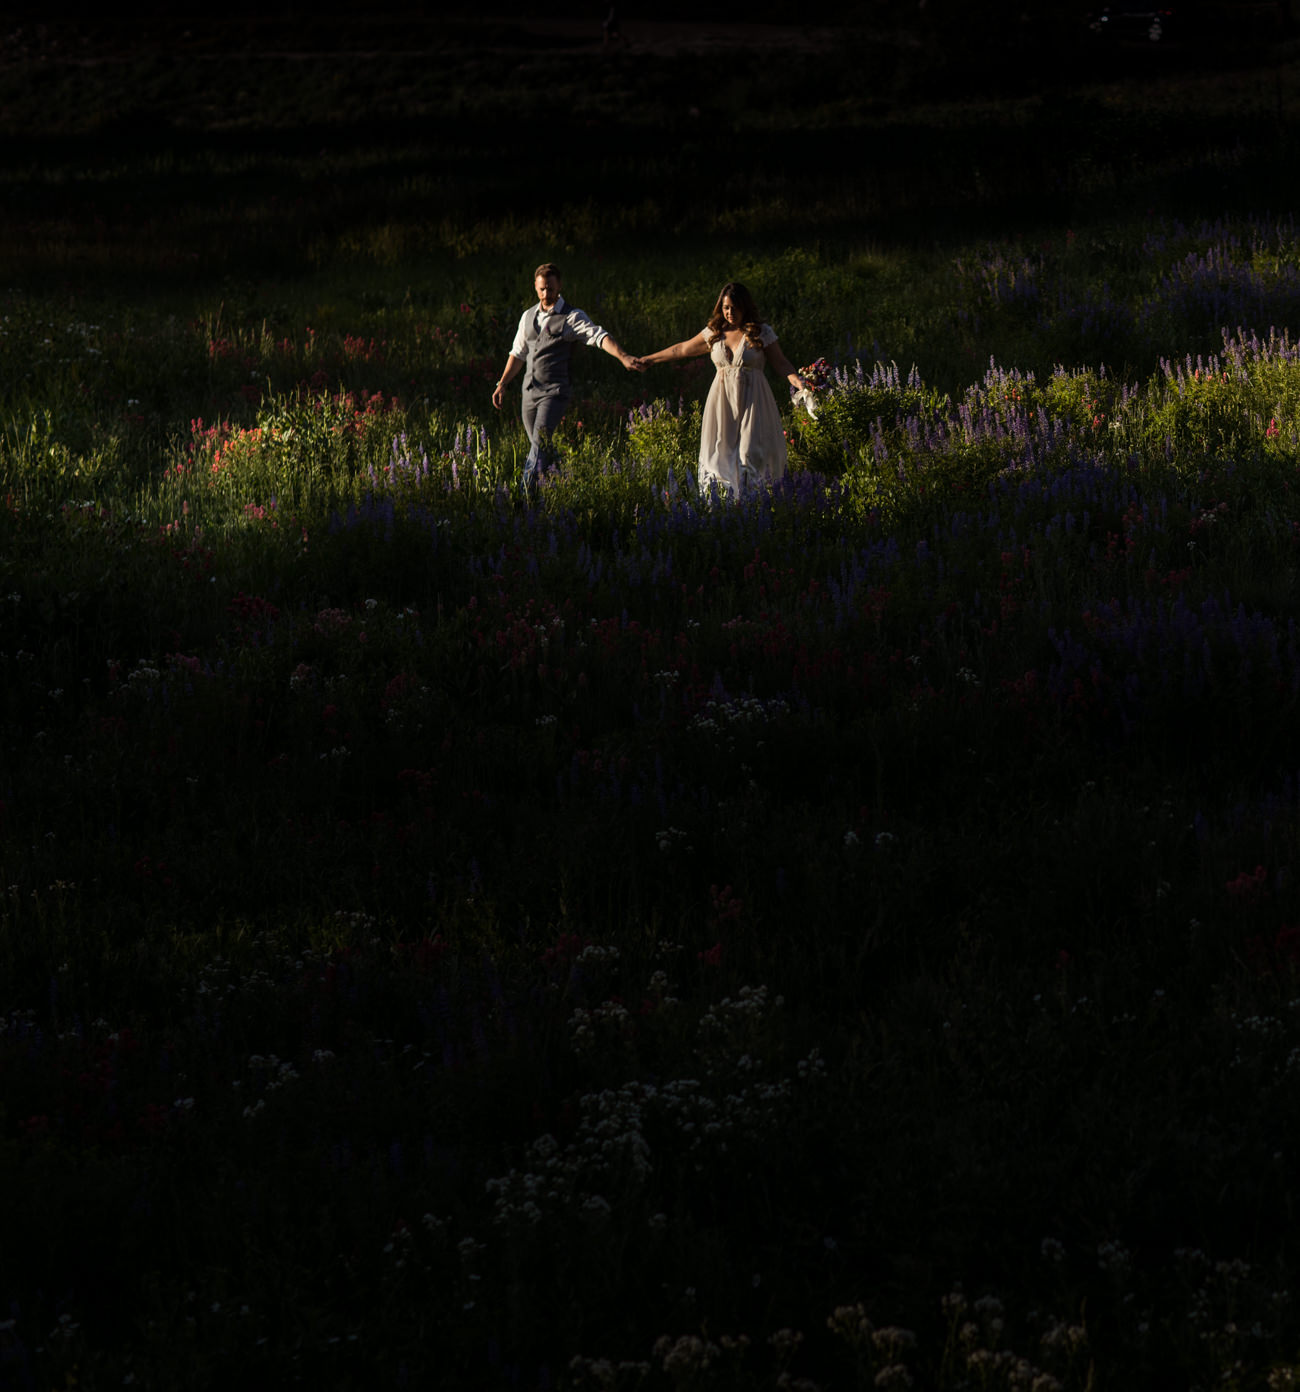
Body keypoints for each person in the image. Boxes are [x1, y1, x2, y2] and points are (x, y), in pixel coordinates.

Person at [637, 281, 802, 498]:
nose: (730, 313)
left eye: (735, 308)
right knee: (720, 455)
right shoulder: (715, 332)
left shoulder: (761, 332)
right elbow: (682, 349)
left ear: (745, 307)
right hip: (722, 402)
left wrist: (799, 381)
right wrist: (649, 359)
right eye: (726, 308)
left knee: (750, 454)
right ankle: (723, 508)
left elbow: (781, 363)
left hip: (753, 401)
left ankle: (755, 506)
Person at [492, 263, 642, 495]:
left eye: (550, 289)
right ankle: (563, 484)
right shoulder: (527, 317)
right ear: (535, 287)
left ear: (559, 286)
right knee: (541, 448)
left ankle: (522, 498)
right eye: (542, 289)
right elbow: (518, 353)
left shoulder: (571, 316)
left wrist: (622, 356)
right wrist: (502, 384)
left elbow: (599, 336)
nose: (546, 294)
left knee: (539, 445)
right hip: (529, 392)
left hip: (554, 392)